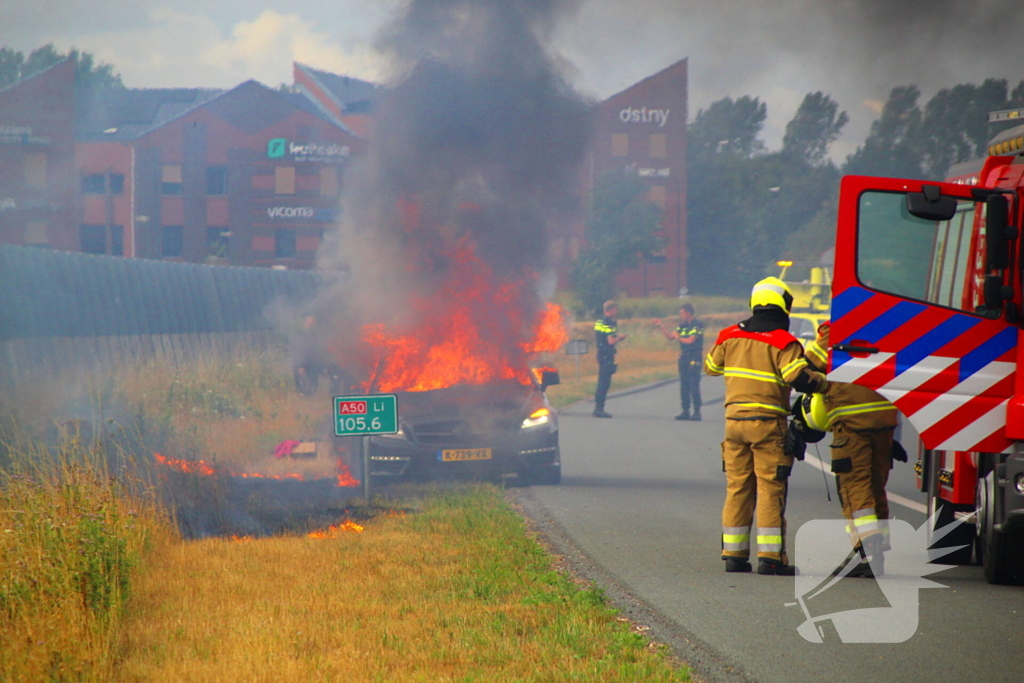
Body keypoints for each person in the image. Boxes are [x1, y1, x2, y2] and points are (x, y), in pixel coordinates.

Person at [704, 277, 828, 576]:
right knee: (771, 488)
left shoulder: (727, 336)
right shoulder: (784, 342)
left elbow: (710, 367)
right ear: (783, 307)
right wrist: (825, 385)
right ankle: (771, 559)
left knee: (738, 488)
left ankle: (734, 555)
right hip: (768, 426)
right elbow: (797, 377)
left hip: (734, 425)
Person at [803, 321, 901, 578]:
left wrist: (822, 388)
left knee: (855, 485)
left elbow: (808, 366)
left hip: (851, 422)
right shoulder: (887, 325)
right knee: (875, 484)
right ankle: (875, 551)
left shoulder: (838, 328)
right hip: (885, 418)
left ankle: (866, 551)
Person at [656, 303, 705, 420]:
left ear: (688, 313)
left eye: (682, 313)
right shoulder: (683, 325)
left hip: (694, 356)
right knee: (684, 385)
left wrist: (678, 337)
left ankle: (697, 412)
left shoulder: (697, 324)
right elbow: (670, 336)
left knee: (694, 384)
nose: (681, 315)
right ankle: (685, 410)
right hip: (684, 357)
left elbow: (690, 340)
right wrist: (661, 326)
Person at [593, 300, 627, 418]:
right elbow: (611, 340)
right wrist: (620, 337)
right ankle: (599, 408)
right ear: (611, 310)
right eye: (615, 310)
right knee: (605, 382)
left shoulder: (599, 321)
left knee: (601, 380)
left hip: (600, 353)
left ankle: (598, 406)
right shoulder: (609, 322)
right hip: (607, 354)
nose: (616, 312)